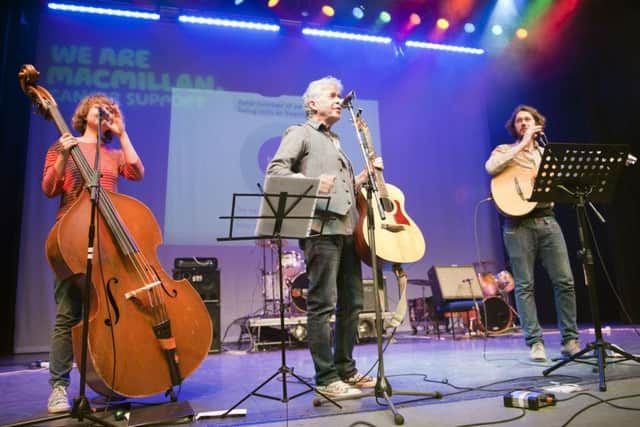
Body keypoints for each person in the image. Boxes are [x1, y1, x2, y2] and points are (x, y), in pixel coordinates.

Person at [266, 76, 381, 397]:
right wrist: (313, 182)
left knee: (353, 303)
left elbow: (342, 190)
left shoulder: (335, 141)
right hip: (320, 231)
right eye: (332, 96)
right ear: (313, 104)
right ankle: (327, 379)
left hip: (347, 231)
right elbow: (276, 171)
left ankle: (346, 369)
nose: (338, 101)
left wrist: (363, 176)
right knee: (322, 304)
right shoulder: (299, 133)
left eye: (340, 96)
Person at [42, 94, 144, 413]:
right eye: (99, 105)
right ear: (85, 111)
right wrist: (63, 155)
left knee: (105, 316)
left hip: (107, 240)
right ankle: (59, 388)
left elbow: (137, 172)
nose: (104, 110)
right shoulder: (62, 146)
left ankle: (108, 381)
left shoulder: (112, 154)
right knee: (68, 313)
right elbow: (48, 188)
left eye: (109, 108)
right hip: (69, 238)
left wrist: (123, 132)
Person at [485, 104, 580, 362]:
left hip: (547, 220)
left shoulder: (545, 155)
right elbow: (491, 167)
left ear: (538, 124)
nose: (524, 123)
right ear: (514, 127)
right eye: (519, 121)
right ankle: (535, 343)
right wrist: (523, 143)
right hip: (518, 225)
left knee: (565, 281)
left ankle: (570, 340)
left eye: (528, 120)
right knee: (525, 285)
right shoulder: (505, 150)